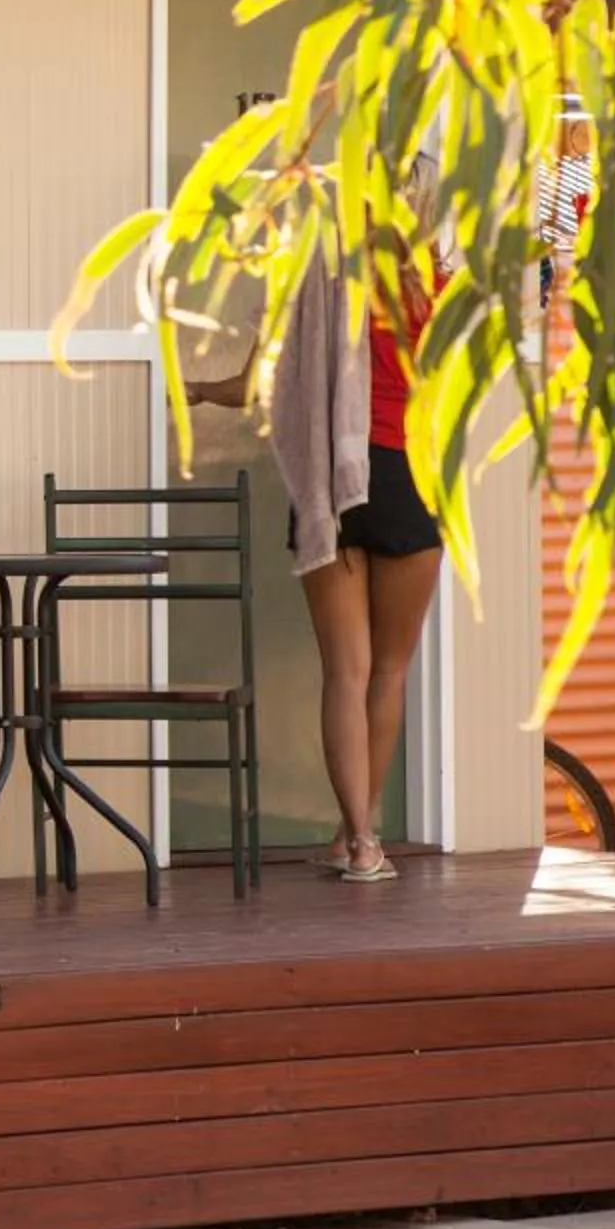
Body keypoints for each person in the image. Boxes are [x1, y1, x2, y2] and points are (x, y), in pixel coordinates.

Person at [186, 166, 445, 885]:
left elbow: (254, 386)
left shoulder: (315, 281)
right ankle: (355, 835)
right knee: (388, 672)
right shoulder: (440, 292)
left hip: (335, 482)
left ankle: (358, 839)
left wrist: (197, 389)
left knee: (345, 671)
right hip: (412, 481)